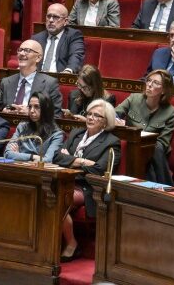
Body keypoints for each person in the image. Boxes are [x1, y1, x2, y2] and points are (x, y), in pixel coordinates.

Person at [55, 99, 121, 260]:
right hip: (65, 181)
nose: (90, 118)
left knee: (56, 200)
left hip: (87, 188)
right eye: (89, 114)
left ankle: (71, 243)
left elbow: (100, 169)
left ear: (105, 122)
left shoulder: (112, 142)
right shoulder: (76, 133)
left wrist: (70, 159)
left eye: (96, 115)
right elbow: (56, 157)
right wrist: (82, 161)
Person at [115, 70, 174, 184]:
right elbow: (114, 114)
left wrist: (143, 140)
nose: (149, 84)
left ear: (164, 90)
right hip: (130, 146)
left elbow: (163, 142)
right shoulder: (134, 98)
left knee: (155, 148)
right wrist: (118, 121)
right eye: (148, 80)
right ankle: (165, 187)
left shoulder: (170, 112)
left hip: (153, 152)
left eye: (156, 83)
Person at [0, 40, 62, 111]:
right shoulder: (6, 82)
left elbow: (56, 114)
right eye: (20, 50)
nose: (22, 53)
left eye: (27, 50)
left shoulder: (50, 84)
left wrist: (31, 114)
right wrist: (4, 110)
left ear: (38, 58)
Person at [5, 93, 64, 163]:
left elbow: (47, 160)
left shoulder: (56, 134)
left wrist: (19, 155)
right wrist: (32, 157)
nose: (32, 111)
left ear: (46, 109)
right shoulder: (22, 127)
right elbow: (7, 154)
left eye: (37, 107)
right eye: (30, 107)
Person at [30, 3, 84, 74]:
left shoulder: (73, 35)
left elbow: (76, 55)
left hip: (59, 78)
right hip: (38, 78)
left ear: (65, 21)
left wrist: (68, 71)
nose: (51, 20)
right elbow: (29, 58)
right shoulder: (37, 38)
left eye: (55, 17)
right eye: (48, 16)